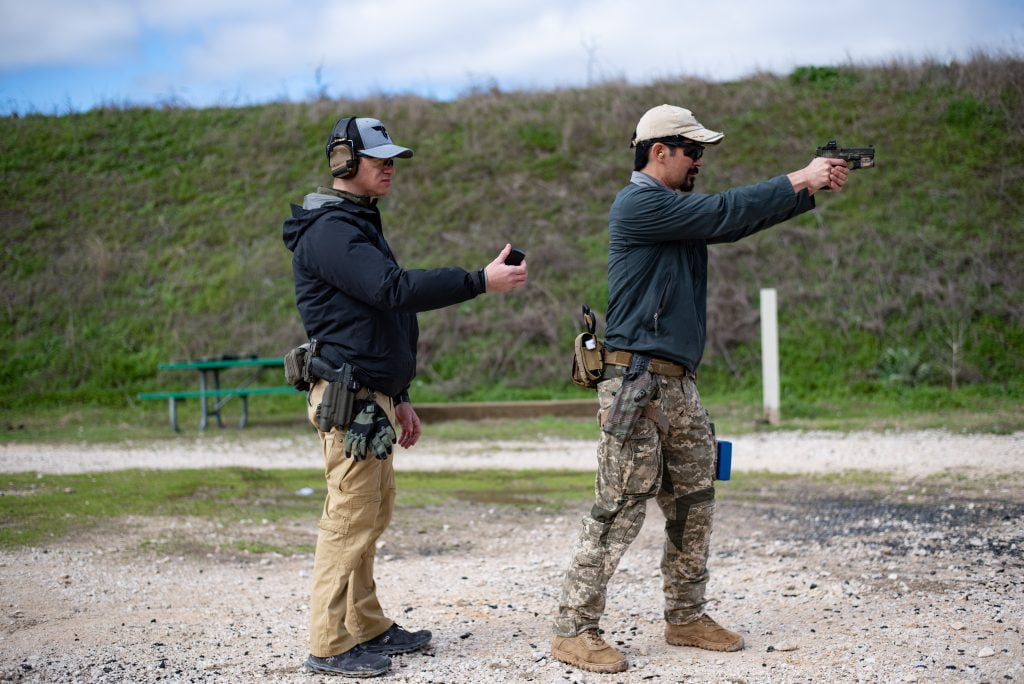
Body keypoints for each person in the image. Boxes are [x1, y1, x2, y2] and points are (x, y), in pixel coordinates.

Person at [551, 104, 850, 674]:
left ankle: (685, 617)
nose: (699, 162)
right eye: (693, 152)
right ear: (659, 151)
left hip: (678, 384)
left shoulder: (674, 212)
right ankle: (573, 628)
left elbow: (730, 222)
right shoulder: (638, 203)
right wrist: (800, 178)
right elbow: (723, 211)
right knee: (619, 508)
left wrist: (806, 190)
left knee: (694, 502)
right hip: (637, 383)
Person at [282, 115, 528, 678]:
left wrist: (400, 395)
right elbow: (393, 290)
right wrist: (478, 281)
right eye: (379, 159)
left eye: (393, 159)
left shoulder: (356, 222)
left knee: (371, 514)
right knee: (349, 518)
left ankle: (366, 625)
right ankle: (328, 643)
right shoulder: (331, 231)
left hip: (371, 397)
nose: (390, 167)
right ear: (345, 161)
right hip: (350, 399)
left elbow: (383, 318)